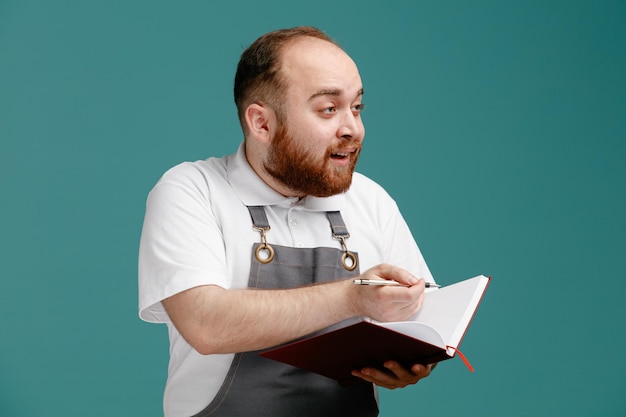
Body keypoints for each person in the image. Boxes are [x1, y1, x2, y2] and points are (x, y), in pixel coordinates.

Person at [138, 26, 436, 417]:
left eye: (357, 107)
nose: (353, 129)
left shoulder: (370, 199)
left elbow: (424, 317)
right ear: (262, 123)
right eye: (329, 109)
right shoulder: (192, 190)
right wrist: (352, 296)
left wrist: (414, 357)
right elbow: (205, 324)